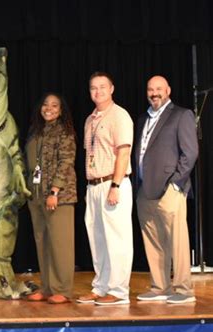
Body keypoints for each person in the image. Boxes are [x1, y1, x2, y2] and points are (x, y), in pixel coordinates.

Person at [135, 76, 198, 304]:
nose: (154, 93)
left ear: (168, 90)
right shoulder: (143, 119)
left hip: (170, 189)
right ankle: (160, 286)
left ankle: (183, 290)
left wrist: (175, 183)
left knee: (177, 241)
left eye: (159, 89)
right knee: (153, 241)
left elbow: (190, 153)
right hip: (145, 190)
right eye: (150, 89)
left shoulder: (181, 115)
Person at [77, 72, 134, 306]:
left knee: (117, 239)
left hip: (113, 183)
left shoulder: (119, 116)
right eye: (93, 88)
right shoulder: (90, 120)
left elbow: (123, 152)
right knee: (97, 239)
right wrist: (91, 187)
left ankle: (119, 291)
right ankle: (101, 287)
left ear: (112, 88)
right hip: (94, 186)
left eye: (102, 87)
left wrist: (115, 185)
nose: (97, 91)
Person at [25, 92, 77, 304]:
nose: (49, 108)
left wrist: (55, 191)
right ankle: (47, 287)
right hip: (36, 196)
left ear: (61, 110)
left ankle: (63, 290)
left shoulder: (64, 131)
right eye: (45, 104)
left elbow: (66, 162)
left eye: (55, 105)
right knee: (43, 243)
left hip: (58, 196)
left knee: (60, 244)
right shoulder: (36, 131)